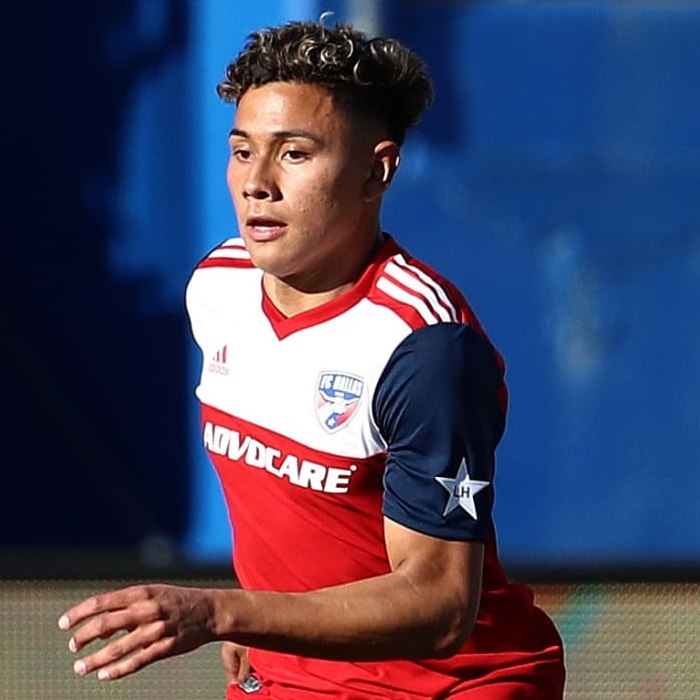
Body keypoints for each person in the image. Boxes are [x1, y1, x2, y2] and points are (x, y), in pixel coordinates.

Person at [58, 17, 566, 699]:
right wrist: (266, 614)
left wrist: (226, 612)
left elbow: (441, 604)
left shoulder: (424, 346)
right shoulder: (217, 288)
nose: (257, 183)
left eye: (294, 153)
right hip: (294, 675)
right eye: (243, 151)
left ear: (376, 171)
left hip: (454, 684)